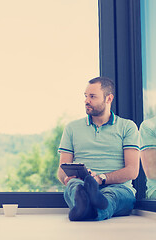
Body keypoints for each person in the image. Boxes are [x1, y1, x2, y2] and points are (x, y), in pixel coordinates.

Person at [57, 77, 140, 221]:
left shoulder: (128, 127)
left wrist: (100, 179)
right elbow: (61, 169)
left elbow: (132, 171)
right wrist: (66, 177)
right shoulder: (72, 128)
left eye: (92, 96)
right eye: (85, 96)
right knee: (74, 186)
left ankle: (85, 209)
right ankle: (90, 206)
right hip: (82, 184)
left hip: (118, 188)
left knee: (112, 196)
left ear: (109, 98)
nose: (86, 100)